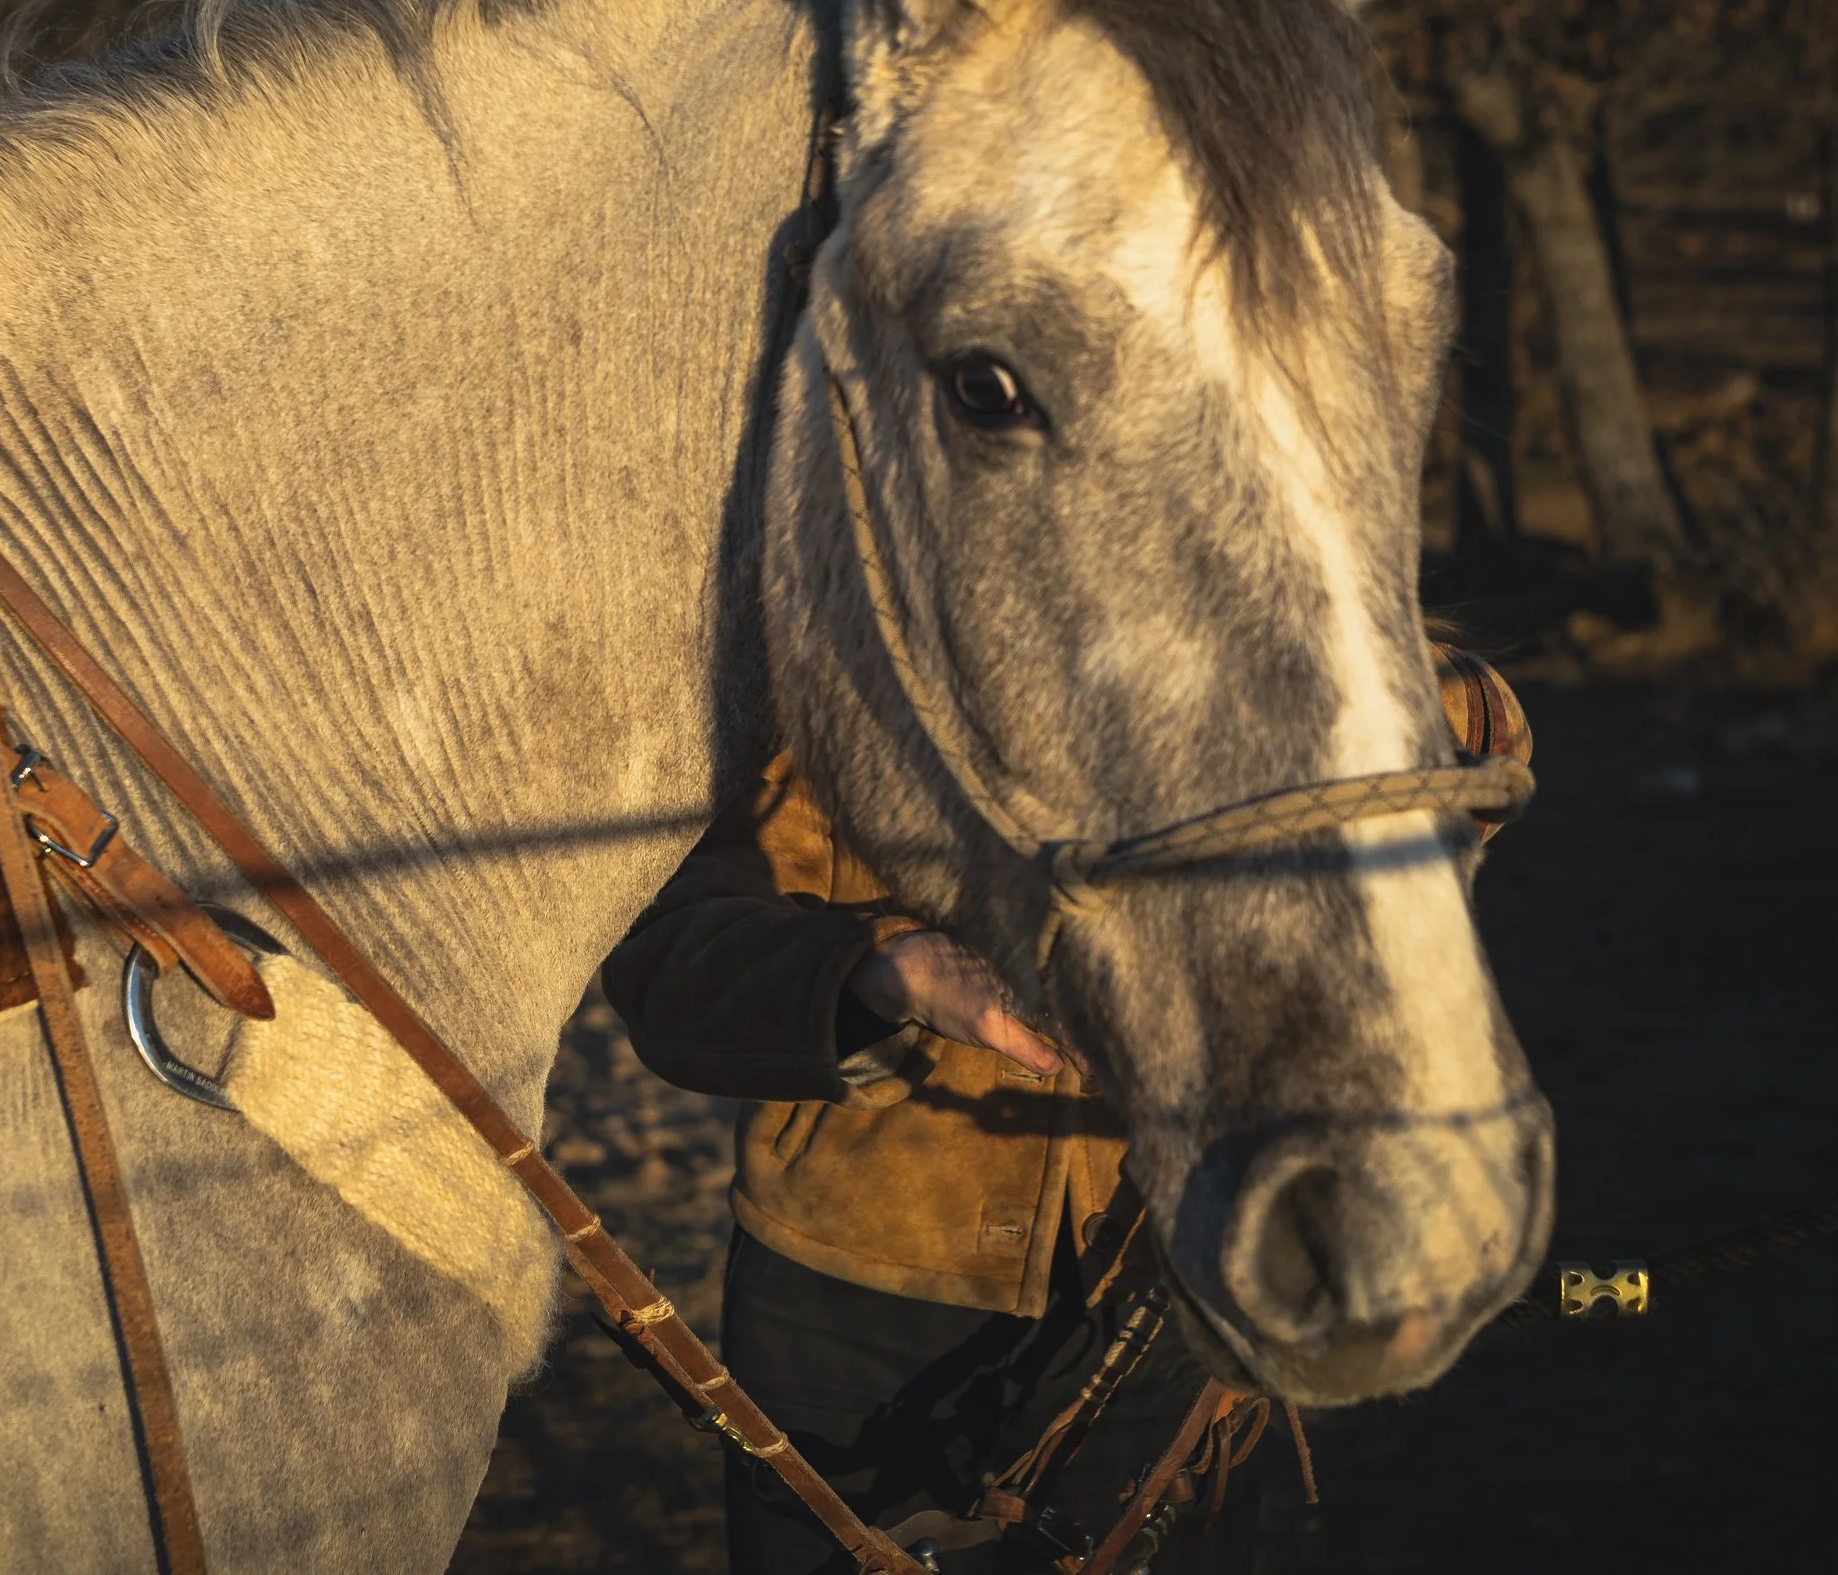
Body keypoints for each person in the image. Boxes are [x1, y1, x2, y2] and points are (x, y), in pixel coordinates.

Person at [602, 647, 1530, 1575]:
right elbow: (669, 961)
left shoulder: (1261, 649)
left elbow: (1483, 753)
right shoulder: (842, 681)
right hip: (852, 1292)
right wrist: (880, 968)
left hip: (1170, 1269)